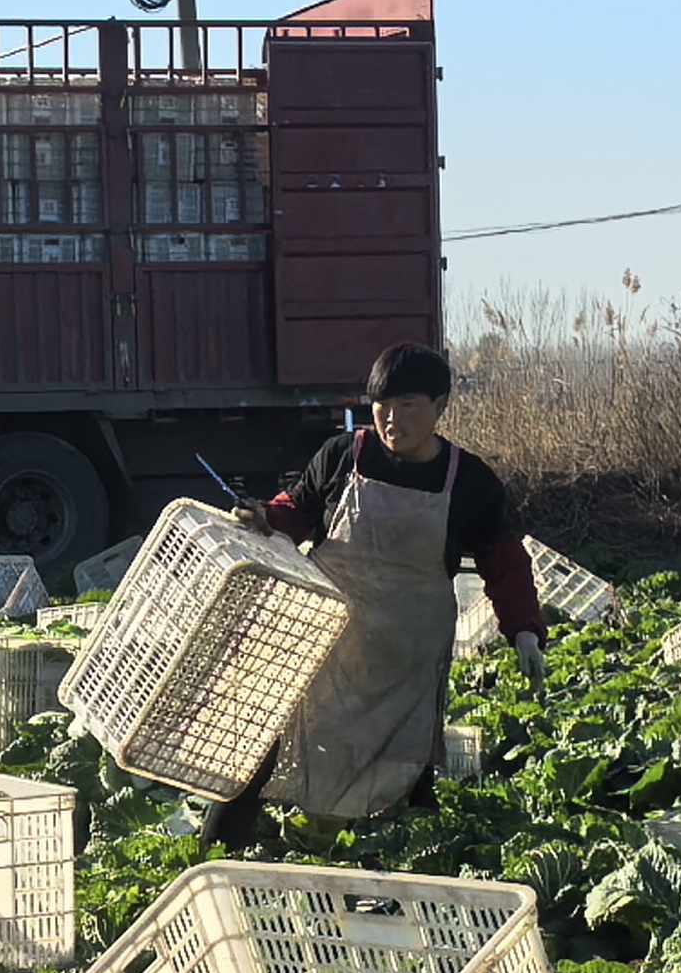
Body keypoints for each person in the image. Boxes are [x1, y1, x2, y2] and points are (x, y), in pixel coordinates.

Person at [213, 342, 545, 840]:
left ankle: (414, 853)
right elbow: (297, 510)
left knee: (406, 757)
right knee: (277, 735)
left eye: (407, 405)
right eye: (382, 405)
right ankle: (222, 847)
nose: (392, 419)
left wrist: (524, 631)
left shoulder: (470, 481)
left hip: (409, 653)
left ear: (440, 406)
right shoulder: (343, 456)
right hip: (330, 635)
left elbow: (504, 562)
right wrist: (265, 517)